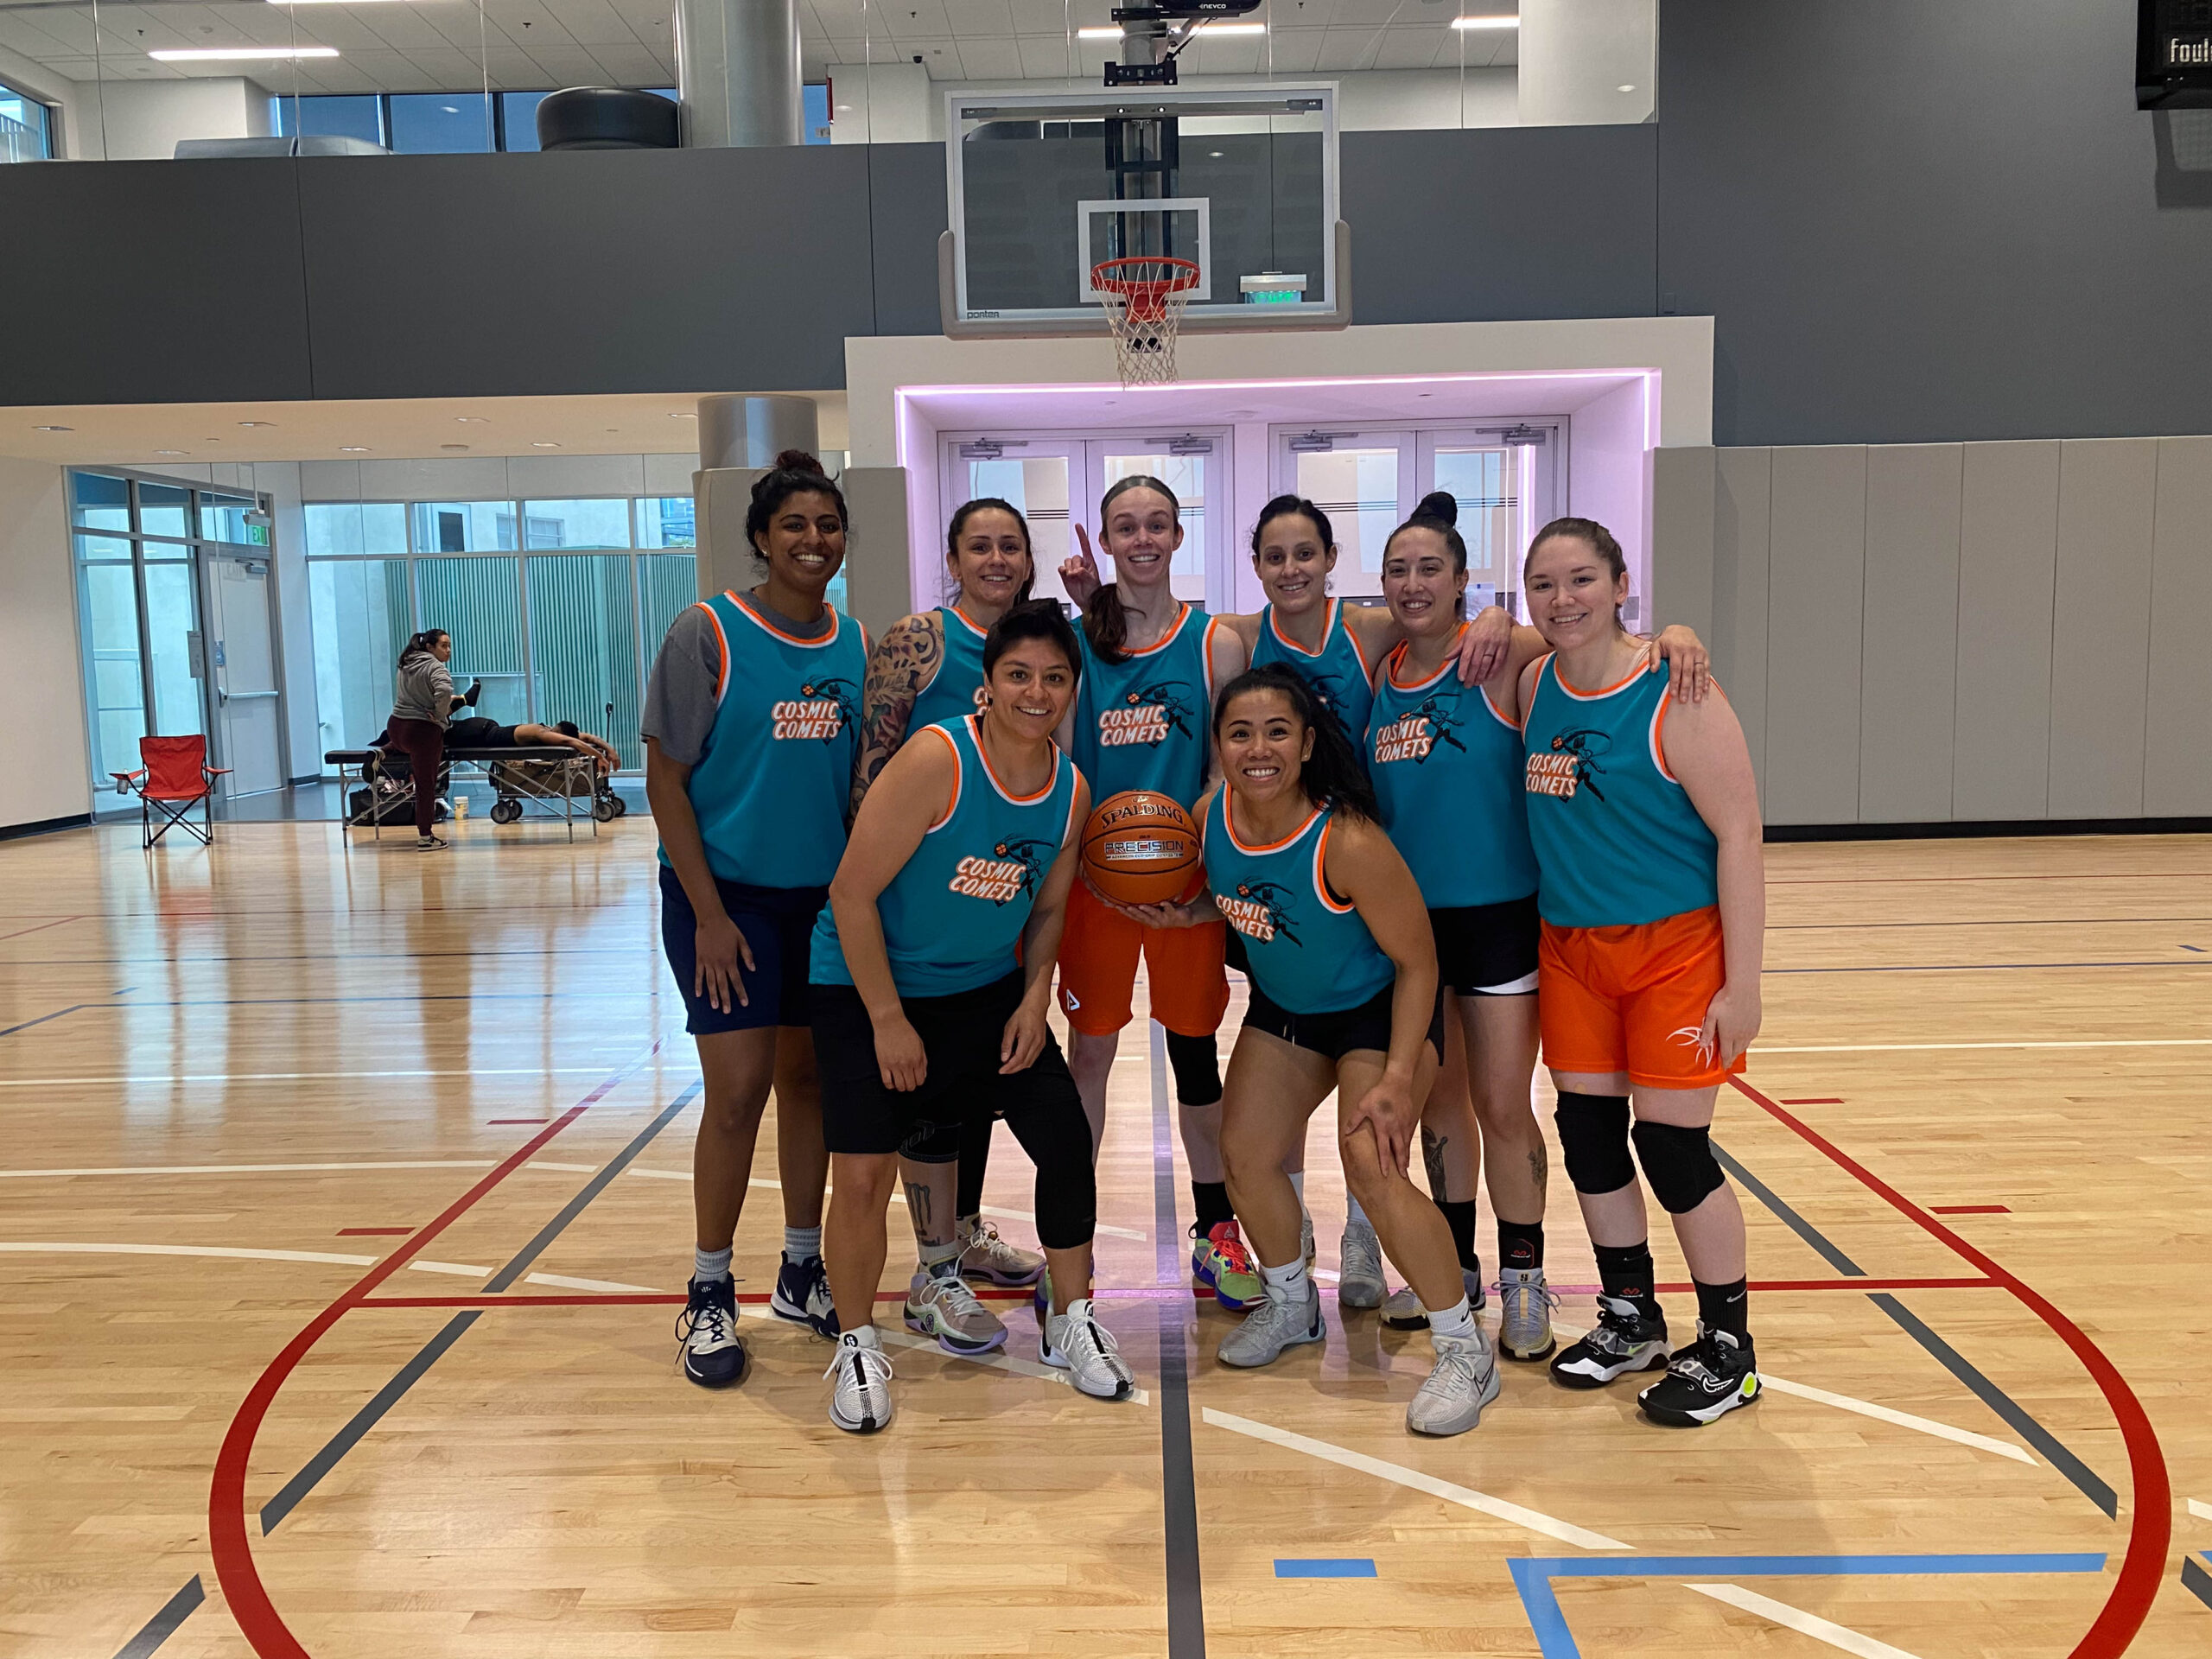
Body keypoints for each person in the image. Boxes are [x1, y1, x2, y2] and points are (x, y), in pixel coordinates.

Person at [1363, 495, 1711, 1364]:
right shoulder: (1381, 672)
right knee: (1438, 1105)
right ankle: (1454, 1266)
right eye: (1398, 570)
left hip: (1503, 919)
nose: (1413, 584)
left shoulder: (1505, 659)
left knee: (1502, 1104)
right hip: (1412, 928)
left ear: (1463, 581)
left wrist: (1674, 632)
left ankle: (1525, 1275)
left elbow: (1592, 639)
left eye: (1431, 569)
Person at [1132, 664, 1497, 1436]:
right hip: (1290, 1011)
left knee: (1372, 1165)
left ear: (1304, 745)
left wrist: (1401, 1076)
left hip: (1379, 1011)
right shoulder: (1209, 818)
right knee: (1244, 1153)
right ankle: (1294, 1304)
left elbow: (1420, 962)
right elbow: (1243, 895)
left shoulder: (1347, 838)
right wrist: (1188, 909)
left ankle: (1466, 1350)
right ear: (1220, 746)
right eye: (1239, 733)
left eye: (1275, 732)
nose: (1256, 748)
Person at [810, 601, 1133, 1432]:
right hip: (868, 983)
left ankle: (1070, 1318)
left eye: (1055, 678)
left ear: (1072, 689)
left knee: (1064, 1139)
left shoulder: (1070, 790)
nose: (1038, 692)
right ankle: (853, 1342)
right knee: (863, 1175)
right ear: (986, 686)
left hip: (986, 987)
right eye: (1019, 675)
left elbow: (1050, 911)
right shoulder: (936, 759)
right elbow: (851, 895)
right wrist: (886, 1018)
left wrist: (1033, 997)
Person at [1517, 516, 1764, 1427]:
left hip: (1675, 948)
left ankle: (1728, 1351)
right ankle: (1630, 1318)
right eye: (1544, 584)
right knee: (1586, 1134)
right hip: (1572, 948)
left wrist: (1743, 985)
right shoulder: (1537, 678)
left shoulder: (1676, 689)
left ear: (1621, 583)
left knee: (1669, 1146)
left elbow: (1740, 835)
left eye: (1581, 579)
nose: (1562, 599)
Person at [644, 450, 865, 1389]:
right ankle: (705, 1289)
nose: (812, 542)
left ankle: (801, 1267)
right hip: (722, 900)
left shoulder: (856, 643)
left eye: (826, 526)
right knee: (736, 1093)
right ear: (761, 540)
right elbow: (664, 780)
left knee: (808, 1083)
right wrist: (708, 915)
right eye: (794, 527)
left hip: (817, 902)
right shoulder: (708, 634)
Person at [1052, 474, 1262, 1311]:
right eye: (1125, 527)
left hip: (1185, 892)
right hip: (1094, 895)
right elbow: (1065, 769)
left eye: (1157, 526)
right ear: (1105, 543)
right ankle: (1075, 1242)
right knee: (1090, 1059)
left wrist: (1192, 873)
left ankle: (1216, 1234)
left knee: (1193, 1058)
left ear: (1179, 538)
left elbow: (1225, 769)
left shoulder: (1214, 644)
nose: (1142, 539)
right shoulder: (1076, 646)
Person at [850, 499, 1050, 1339]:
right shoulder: (917, 641)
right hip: (916, 905)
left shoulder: (1039, 649)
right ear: (953, 557)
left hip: (998, 893)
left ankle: (963, 1235)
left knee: (976, 1086)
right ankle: (931, 1264)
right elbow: (870, 763)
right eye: (981, 546)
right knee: (925, 1089)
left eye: (1011, 546)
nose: (997, 559)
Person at [378, 628, 470, 849]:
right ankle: (426, 838)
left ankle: (381, 751)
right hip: (421, 731)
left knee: (404, 748)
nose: (448, 651)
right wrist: (440, 715)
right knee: (425, 786)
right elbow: (444, 690)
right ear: (430, 647)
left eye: (449, 646)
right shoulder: (435, 667)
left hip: (396, 728)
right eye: (443, 646)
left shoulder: (406, 663)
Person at [444, 715, 622, 773]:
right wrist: (599, 756)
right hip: (475, 734)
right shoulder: (542, 733)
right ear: (556, 732)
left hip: (484, 727)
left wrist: (611, 751)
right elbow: (569, 741)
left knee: (440, 724)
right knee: (437, 730)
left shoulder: (551, 729)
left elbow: (588, 738)